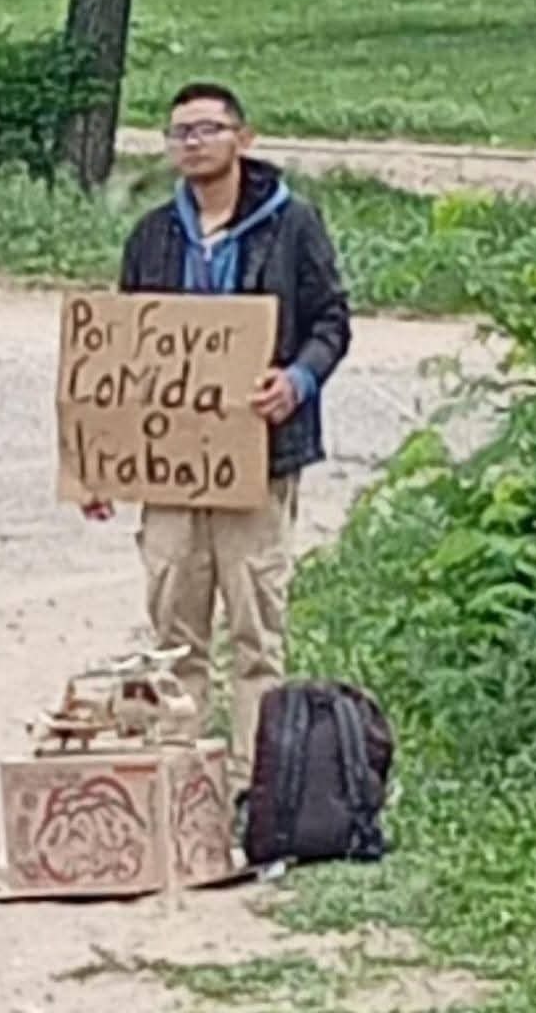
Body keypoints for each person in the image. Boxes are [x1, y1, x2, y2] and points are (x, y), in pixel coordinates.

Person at [84, 82, 351, 809]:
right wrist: (99, 460)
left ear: (244, 138)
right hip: (171, 467)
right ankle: (179, 790)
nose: (193, 143)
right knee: (174, 630)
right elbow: (118, 358)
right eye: (180, 132)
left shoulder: (292, 225)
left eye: (208, 128)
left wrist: (296, 380)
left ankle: (252, 794)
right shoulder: (152, 236)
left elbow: (332, 320)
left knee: (256, 631)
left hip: (259, 459)